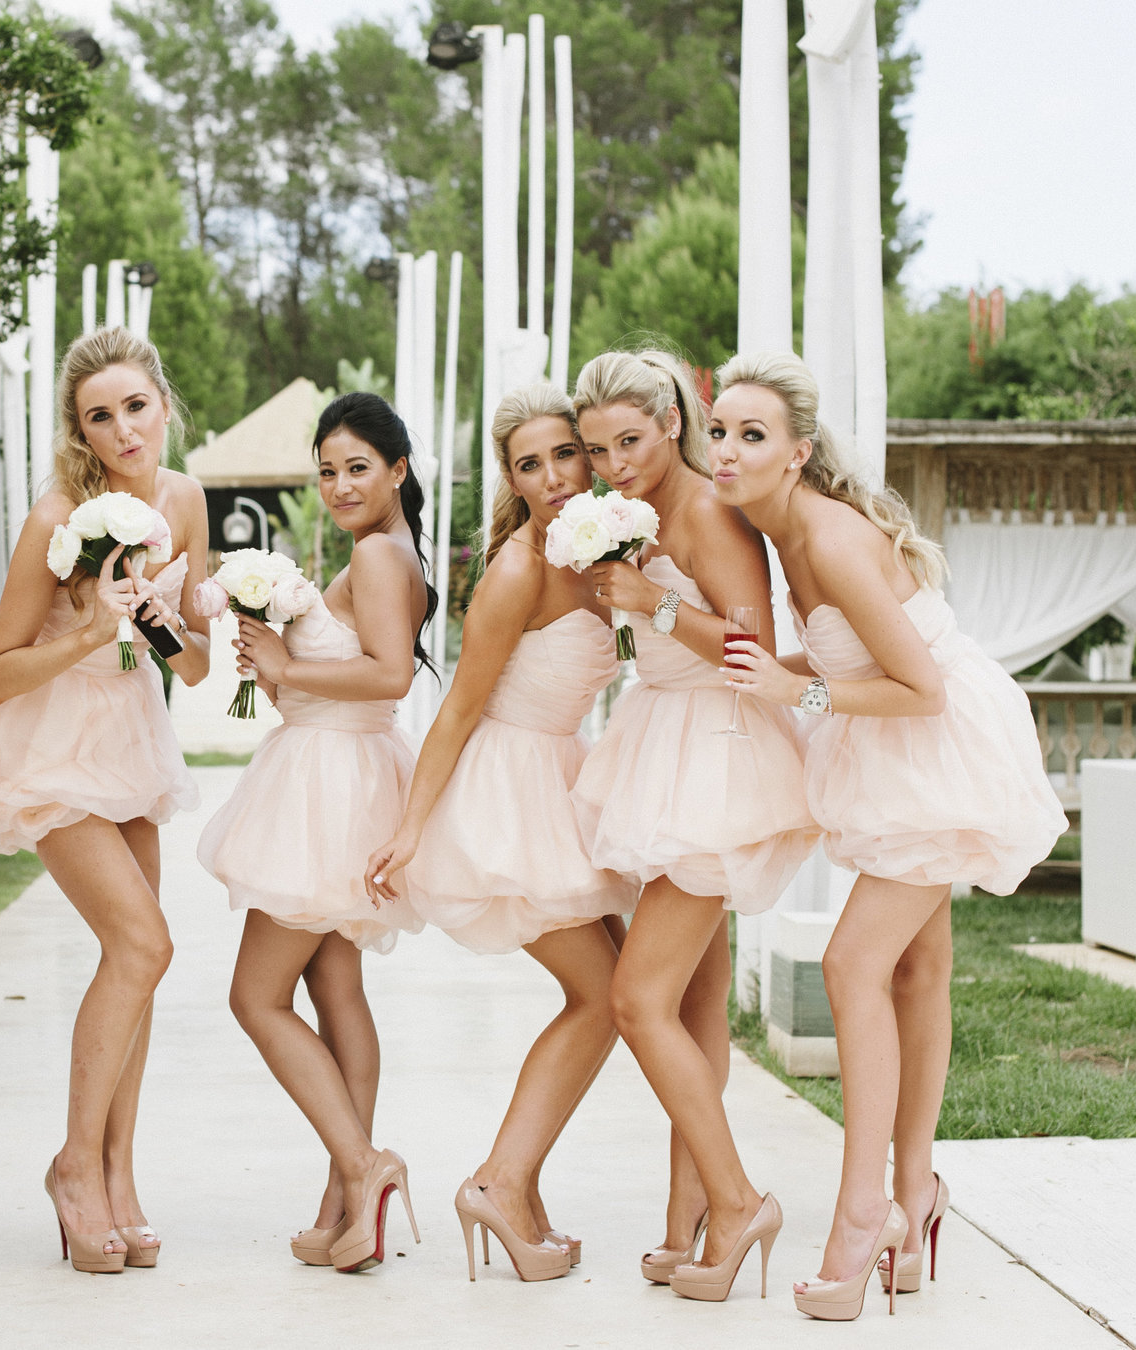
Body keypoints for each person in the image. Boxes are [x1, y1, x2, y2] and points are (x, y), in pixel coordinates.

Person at [710, 351, 1065, 1321]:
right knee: (914, 970)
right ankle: (915, 1197)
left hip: (938, 746)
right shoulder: (776, 532)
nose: (728, 450)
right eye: (720, 431)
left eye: (751, 435)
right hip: (896, 746)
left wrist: (793, 693)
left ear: (797, 452)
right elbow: (835, 655)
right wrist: (745, 660)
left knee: (849, 966)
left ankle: (862, 1211)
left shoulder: (825, 537)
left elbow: (920, 688)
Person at [365, 384, 634, 1283]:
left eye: (566, 454)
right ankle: (498, 1182)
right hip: (510, 793)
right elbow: (458, 709)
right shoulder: (518, 570)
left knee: (618, 994)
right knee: (604, 996)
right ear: (511, 480)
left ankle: (520, 1187)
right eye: (530, 464)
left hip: (562, 776)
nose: (554, 477)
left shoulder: (605, 546)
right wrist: (411, 830)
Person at [0, 327, 211, 1274]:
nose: (123, 429)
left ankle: (117, 1173)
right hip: (50, 738)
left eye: (136, 407)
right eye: (100, 416)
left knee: (134, 964)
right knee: (145, 944)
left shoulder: (185, 499)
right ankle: (72, 1165)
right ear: (80, 430)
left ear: (164, 405)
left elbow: (197, 664)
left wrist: (161, 623)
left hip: (131, 732)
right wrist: (95, 627)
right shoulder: (57, 517)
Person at [568, 350, 819, 1300]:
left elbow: (756, 651)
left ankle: (739, 1199)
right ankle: (689, 1220)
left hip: (717, 755)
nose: (615, 466)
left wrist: (655, 603)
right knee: (694, 1006)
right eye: (598, 451)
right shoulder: (630, 517)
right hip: (660, 746)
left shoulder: (711, 514)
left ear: (673, 422)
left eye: (631, 442)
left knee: (638, 1001)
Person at [198, 392, 434, 1272]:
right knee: (336, 989)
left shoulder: (376, 554)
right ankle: (346, 1208)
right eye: (328, 471)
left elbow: (390, 676)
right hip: (345, 774)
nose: (339, 486)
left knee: (255, 998)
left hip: (326, 787)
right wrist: (276, 665)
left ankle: (365, 1166)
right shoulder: (390, 551)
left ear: (398, 469)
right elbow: (355, 678)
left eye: (358, 468)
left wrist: (287, 666)